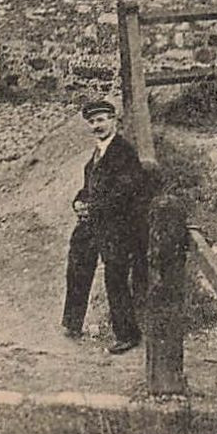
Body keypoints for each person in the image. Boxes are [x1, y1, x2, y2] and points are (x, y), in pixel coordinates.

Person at [61, 98, 150, 355]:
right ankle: (72, 322)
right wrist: (79, 201)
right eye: (92, 121)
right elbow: (89, 187)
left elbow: (124, 191)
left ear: (113, 121)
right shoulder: (97, 153)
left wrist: (94, 208)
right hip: (92, 222)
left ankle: (127, 334)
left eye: (101, 120)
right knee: (78, 265)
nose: (97, 125)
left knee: (116, 277)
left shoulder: (124, 152)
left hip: (118, 225)